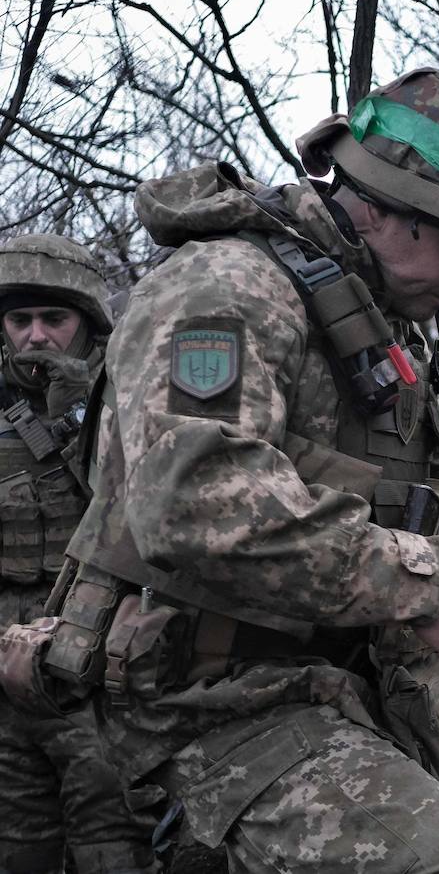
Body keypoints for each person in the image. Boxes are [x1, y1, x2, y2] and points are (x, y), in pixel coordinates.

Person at [34, 69, 439, 873]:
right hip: (205, 698)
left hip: (322, 685)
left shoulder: (373, 323)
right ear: (377, 204)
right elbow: (198, 510)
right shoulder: (226, 291)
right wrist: (432, 591)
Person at [0, 234, 156, 873]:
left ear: (88, 325)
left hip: (98, 669)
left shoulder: (137, 396)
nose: (36, 336)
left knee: (113, 843)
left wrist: (83, 416)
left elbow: (153, 514)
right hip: (7, 671)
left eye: (54, 319)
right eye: (19, 319)